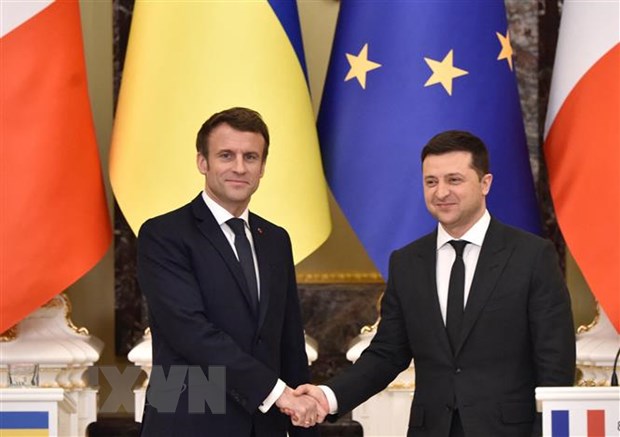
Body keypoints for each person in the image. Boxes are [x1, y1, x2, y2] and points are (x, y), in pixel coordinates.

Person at [296, 130, 576, 436]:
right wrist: (327, 397)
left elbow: (555, 363)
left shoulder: (532, 256)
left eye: (454, 180)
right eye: (431, 182)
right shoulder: (407, 263)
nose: (441, 192)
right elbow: (387, 354)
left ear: (485, 183)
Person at [137, 107, 322, 436]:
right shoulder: (163, 234)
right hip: (189, 421)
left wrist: (303, 424)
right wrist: (276, 392)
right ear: (202, 162)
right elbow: (190, 332)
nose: (239, 167)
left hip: (264, 426)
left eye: (250, 157)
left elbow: (289, 340)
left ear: (262, 167)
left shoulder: (275, 239)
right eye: (226, 155)